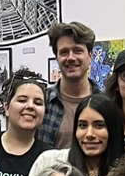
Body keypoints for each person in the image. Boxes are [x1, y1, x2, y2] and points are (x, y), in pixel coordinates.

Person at [38, 21, 99, 149]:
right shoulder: (42, 102)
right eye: (64, 52)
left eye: (77, 50)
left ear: (90, 56)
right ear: (57, 58)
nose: (71, 58)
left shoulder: (107, 103)